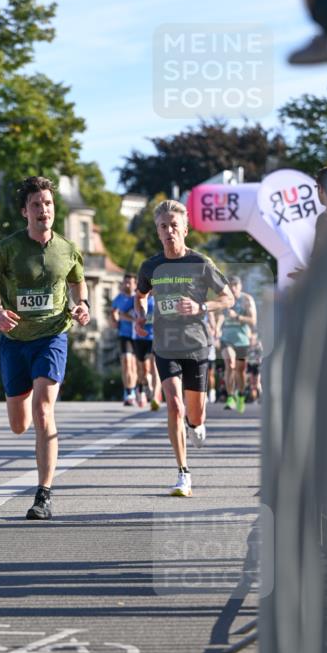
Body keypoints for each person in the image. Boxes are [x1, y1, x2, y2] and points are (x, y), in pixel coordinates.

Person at [0, 176, 90, 520]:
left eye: (48, 204)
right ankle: (22, 411)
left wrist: (82, 304)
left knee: (44, 409)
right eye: (37, 205)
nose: (44, 210)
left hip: (52, 335)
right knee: (19, 423)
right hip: (14, 341)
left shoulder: (67, 248)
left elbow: (77, 280)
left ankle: (44, 493)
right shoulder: (9, 248)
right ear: (25, 211)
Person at [135, 200, 234, 498]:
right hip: (165, 345)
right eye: (163, 227)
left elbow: (228, 298)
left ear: (185, 229)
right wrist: (140, 315)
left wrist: (202, 305)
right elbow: (141, 295)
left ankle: (196, 424)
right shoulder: (150, 266)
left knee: (196, 413)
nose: (168, 231)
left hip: (197, 345)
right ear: (158, 232)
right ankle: (183, 473)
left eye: (173, 226)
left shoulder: (200, 263)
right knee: (174, 405)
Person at [215, 275, 257, 413]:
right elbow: (220, 314)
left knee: (240, 370)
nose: (232, 288)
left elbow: (253, 321)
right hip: (227, 338)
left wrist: (237, 317)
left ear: (240, 286)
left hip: (242, 340)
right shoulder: (225, 299)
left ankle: (240, 395)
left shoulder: (247, 300)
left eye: (235, 285)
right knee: (230, 363)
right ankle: (230, 396)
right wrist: (217, 328)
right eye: (230, 285)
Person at [110, 274, 138, 406]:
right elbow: (114, 316)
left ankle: (139, 388)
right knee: (126, 363)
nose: (126, 285)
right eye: (125, 282)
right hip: (125, 334)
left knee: (136, 366)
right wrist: (115, 319)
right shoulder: (118, 299)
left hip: (140, 335)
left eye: (129, 283)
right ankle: (129, 392)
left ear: (135, 284)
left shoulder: (139, 298)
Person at [131, 293, 161, 410]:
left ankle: (155, 398)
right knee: (142, 370)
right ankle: (142, 388)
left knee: (155, 367)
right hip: (139, 338)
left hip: (154, 338)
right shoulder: (137, 297)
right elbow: (122, 312)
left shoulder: (160, 298)